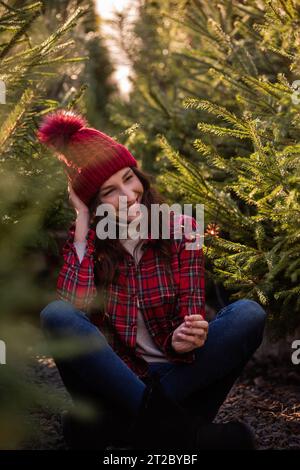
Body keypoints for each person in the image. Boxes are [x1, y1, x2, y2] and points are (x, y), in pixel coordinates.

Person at [37, 109, 267, 450]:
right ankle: (185, 435)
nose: (128, 195)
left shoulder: (183, 230)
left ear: (139, 175)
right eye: (108, 192)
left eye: (129, 178)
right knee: (56, 315)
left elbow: (190, 313)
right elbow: (75, 310)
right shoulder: (86, 241)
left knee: (249, 314)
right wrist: (82, 221)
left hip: (179, 378)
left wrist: (187, 335)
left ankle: (124, 430)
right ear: (93, 204)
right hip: (117, 384)